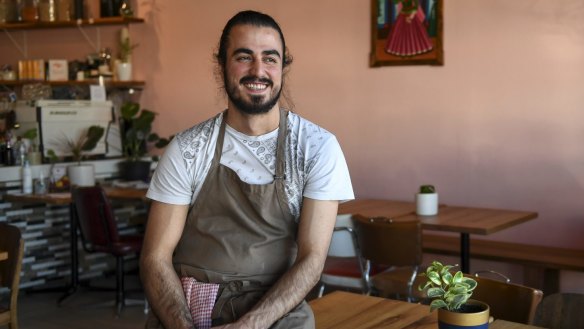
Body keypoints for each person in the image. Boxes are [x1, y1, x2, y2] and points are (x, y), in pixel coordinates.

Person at [140, 10, 354, 329]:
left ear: (283, 67)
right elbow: (155, 258)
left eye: (270, 58)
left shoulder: (316, 147)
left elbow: (311, 261)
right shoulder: (187, 148)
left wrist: (249, 325)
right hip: (188, 303)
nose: (258, 70)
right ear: (222, 66)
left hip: (276, 309)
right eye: (244, 57)